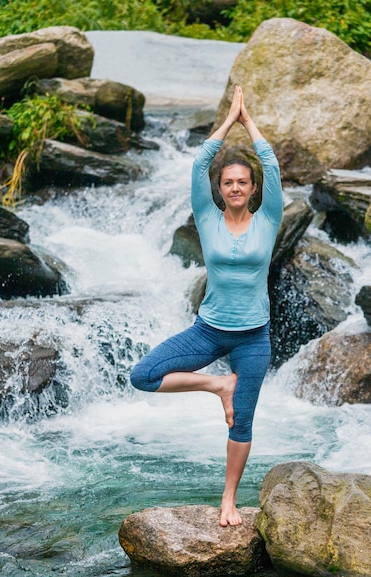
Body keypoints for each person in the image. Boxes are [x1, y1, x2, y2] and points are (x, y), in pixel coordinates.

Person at [130, 85, 283, 526]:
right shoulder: (208, 217)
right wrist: (227, 122)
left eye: (242, 182)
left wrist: (248, 121)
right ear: (220, 188)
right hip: (209, 329)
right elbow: (200, 162)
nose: (235, 187)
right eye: (228, 182)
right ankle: (219, 386)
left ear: (253, 189)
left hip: (254, 335)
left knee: (243, 424)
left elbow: (270, 164)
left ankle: (229, 501)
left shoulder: (268, 218)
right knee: (142, 375)